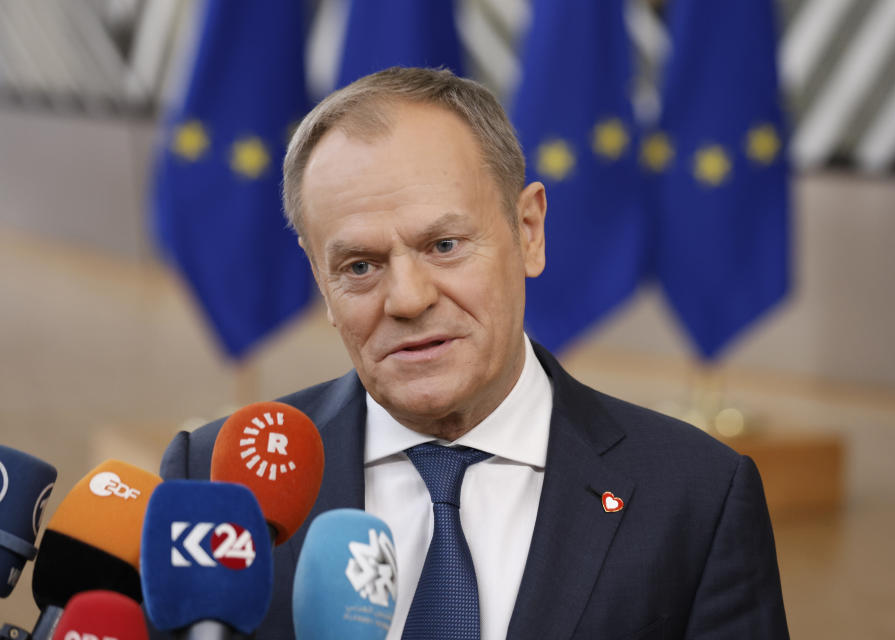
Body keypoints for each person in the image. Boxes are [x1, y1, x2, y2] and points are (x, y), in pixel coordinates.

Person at [159, 67, 789, 639]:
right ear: (321, 282)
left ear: (529, 232)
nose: (407, 299)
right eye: (359, 264)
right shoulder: (218, 486)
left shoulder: (696, 495)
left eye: (444, 245)